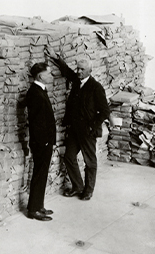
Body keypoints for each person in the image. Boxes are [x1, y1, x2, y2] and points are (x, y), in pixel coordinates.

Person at [45, 47, 110, 201]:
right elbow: (66, 71)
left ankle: (88, 190)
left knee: (90, 162)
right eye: (78, 69)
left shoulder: (96, 87)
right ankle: (77, 186)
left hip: (88, 131)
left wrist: (93, 126)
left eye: (82, 69)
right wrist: (55, 57)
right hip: (74, 129)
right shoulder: (76, 81)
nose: (79, 71)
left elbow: (105, 111)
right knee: (68, 156)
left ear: (89, 71)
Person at [26, 62, 56, 221]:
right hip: (41, 142)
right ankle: (33, 210)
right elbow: (37, 123)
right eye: (49, 73)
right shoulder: (35, 93)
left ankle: (39, 205)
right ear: (40, 76)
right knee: (39, 174)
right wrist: (44, 141)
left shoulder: (40, 91)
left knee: (42, 173)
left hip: (45, 141)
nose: (51, 76)